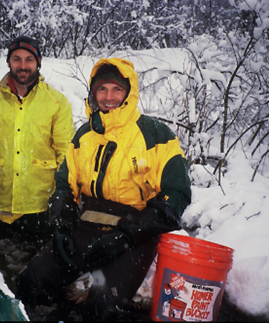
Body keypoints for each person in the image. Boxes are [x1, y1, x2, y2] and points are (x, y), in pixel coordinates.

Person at [15, 58, 192, 320]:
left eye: (116, 89)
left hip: (133, 237)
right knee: (30, 283)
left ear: (128, 93)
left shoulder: (156, 135)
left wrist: (128, 236)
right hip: (84, 229)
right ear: (93, 93)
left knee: (102, 304)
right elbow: (64, 185)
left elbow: (176, 196)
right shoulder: (83, 135)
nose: (109, 97)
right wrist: (63, 225)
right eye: (102, 89)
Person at [0, 36, 75, 240]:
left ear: (38, 62)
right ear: (8, 62)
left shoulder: (57, 102)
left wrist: (63, 195)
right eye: (17, 59)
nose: (23, 66)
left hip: (40, 208)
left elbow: (66, 154)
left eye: (29, 59)